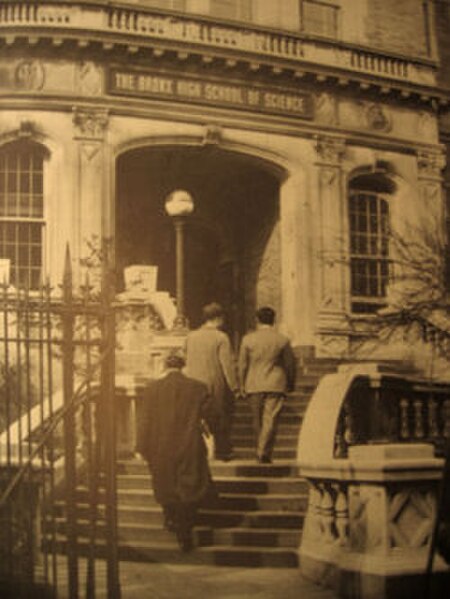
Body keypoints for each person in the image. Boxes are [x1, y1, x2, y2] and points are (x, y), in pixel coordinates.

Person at [136, 353, 216, 552]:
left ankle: (170, 518)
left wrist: (141, 447)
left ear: (164, 366)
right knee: (188, 486)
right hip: (189, 444)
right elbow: (212, 414)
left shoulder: (152, 389)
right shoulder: (198, 387)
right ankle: (185, 532)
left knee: (165, 482)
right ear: (183, 366)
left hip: (160, 446)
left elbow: (144, 420)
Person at [238, 306, 296, 464]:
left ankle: (261, 450)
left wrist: (241, 385)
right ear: (274, 320)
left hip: (253, 383)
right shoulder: (282, 340)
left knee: (256, 420)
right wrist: (290, 383)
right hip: (275, 383)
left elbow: (242, 365)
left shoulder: (247, 339)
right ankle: (264, 452)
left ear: (257, 320)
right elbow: (290, 365)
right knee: (270, 420)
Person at [185, 302, 239, 461]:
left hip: (192, 383)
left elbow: (185, 358)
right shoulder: (221, 337)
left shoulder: (191, 336)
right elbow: (227, 364)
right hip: (213, 383)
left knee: (195, 417)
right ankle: (221, 450)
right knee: (217, 417)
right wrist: (234, 386)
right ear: (218, 318)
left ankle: (196, 450)